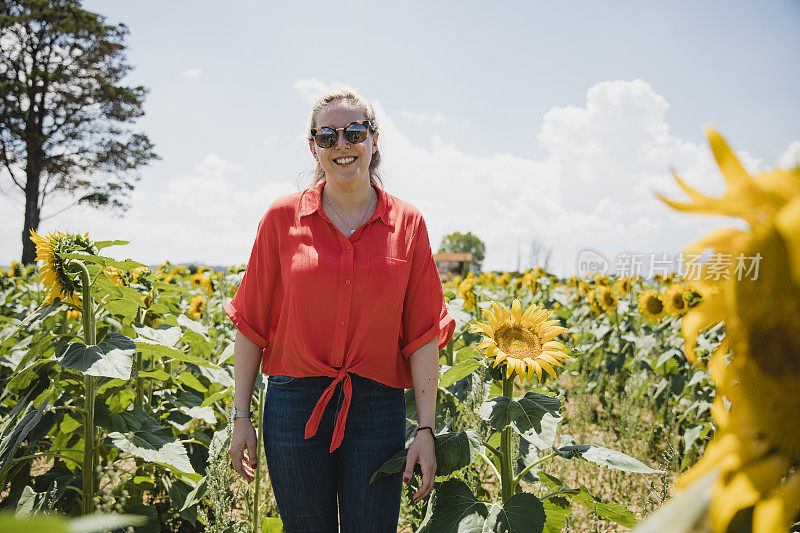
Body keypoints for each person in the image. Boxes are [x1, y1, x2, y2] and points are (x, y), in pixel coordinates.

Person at [224, 87, 456, 532]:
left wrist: (425, 428)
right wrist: (241, 417)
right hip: (293, 406)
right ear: (314, 148)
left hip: (377, 407)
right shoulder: (280, 218)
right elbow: (250, 322)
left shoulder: (408, 224)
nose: (342, 145)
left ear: (373, 140)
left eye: (353, 132)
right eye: (327, 137)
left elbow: (423, 333)